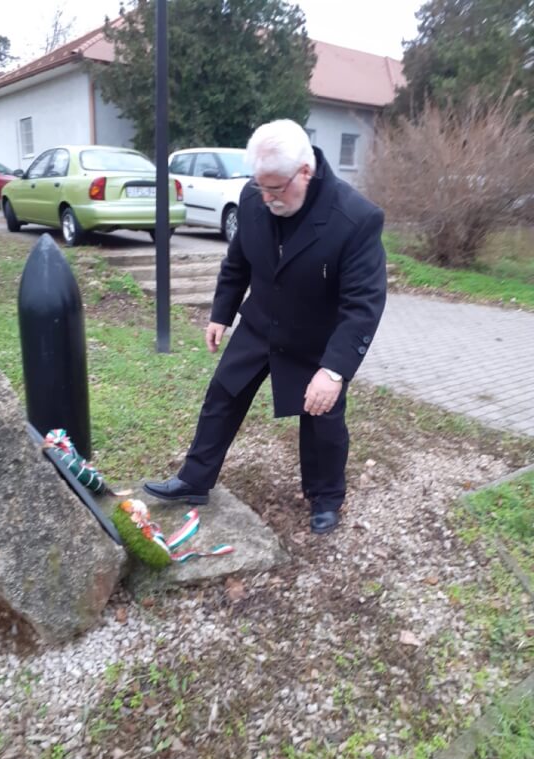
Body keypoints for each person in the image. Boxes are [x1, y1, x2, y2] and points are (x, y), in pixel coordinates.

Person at [144, 119, 386, 534]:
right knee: (222, 395)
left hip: (317, 339)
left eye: (275, 188)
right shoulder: (253, 196)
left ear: (305, 172)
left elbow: (363, 305)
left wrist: (334, 370)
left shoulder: (355, 218)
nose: (267, 197)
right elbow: (238, 261)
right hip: (259, 324)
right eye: (261, 187)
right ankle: (194, 480)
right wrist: (221, 312)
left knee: (322, 420)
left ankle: (326, 497)